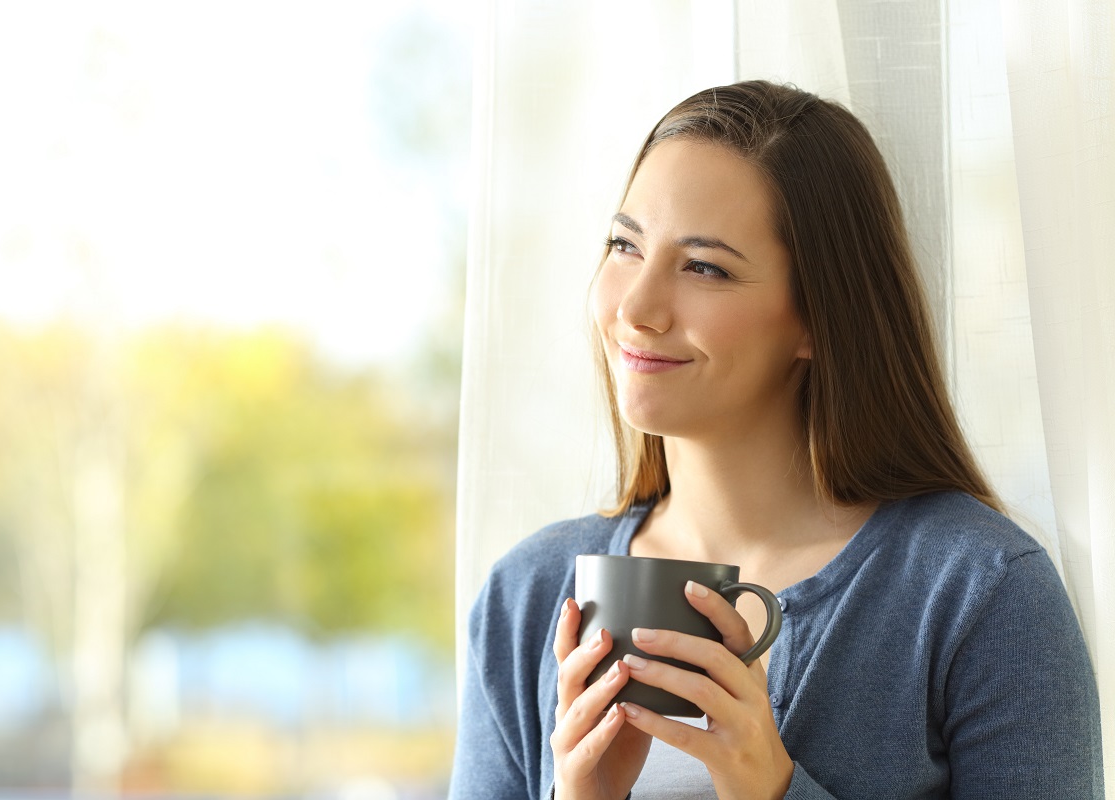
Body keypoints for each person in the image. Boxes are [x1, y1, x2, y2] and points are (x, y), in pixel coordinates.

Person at [447, 80, 1104, 799]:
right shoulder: (529, 596)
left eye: (705, 267)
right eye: (624, 245)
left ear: (818, 318)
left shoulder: (979, 591)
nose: (635, 307)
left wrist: (774, 788)